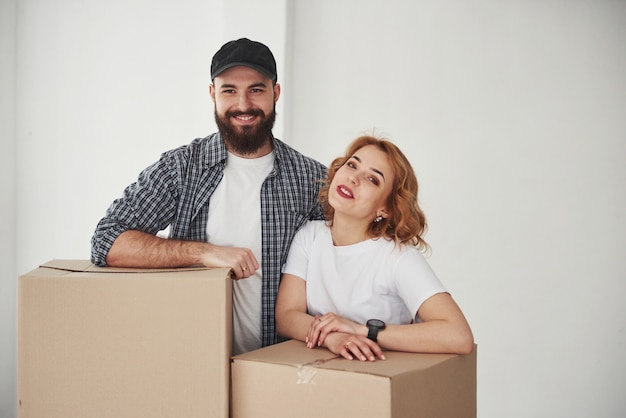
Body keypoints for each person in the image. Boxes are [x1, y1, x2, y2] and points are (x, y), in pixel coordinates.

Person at [91, 38, 327, 355]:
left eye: (256, 89)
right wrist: (203, 253)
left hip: (282, 368)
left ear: (276, 93)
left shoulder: (312, 179)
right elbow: (106, 241)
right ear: (213, 93)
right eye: (229, 90)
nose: (243, 104)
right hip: (194, 362)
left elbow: (348, 266)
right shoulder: (180, 168)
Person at [275, 135, 474, 361]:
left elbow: (459, 336)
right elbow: (286, 316)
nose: (353, 178)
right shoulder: (309, 237)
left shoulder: (398, 257)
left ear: (385, 209)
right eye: (352, 165)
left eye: (372, 179)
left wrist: (361, 331)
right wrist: (333, 338)